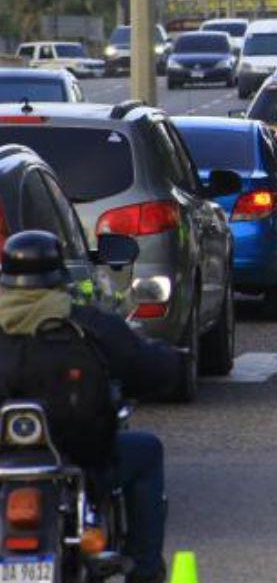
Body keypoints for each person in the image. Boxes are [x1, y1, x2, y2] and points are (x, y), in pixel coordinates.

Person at [0, 230, 180, 583]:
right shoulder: (84, 323)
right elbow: (143, 364)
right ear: (58, 277)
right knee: (146, 452)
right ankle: (144, 570)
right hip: (80, 457)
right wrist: (173, 365)